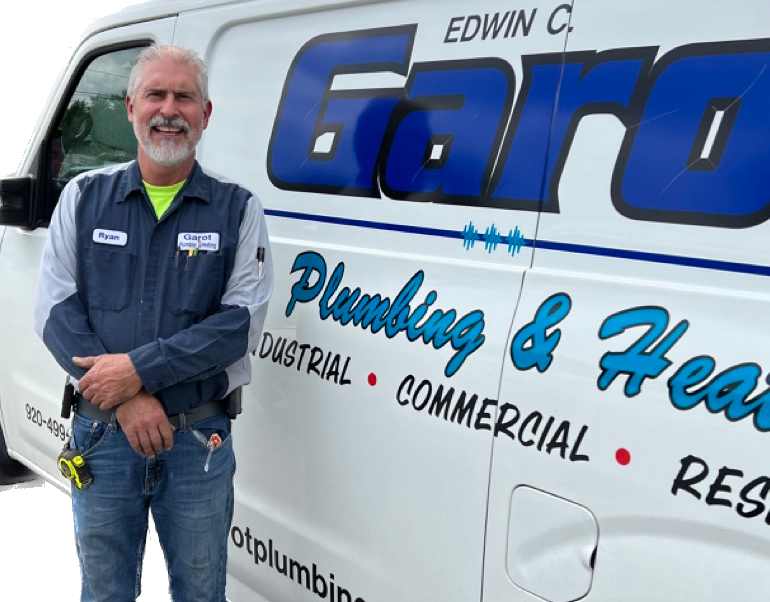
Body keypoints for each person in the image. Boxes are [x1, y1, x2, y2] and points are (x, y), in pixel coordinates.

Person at [34, 44, 273, 602]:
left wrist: (138, 372)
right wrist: (126, 399)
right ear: (130, 107)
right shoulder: (83, 197)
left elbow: (239, 325)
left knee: (200, 592)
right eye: (155, 95)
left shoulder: (239, 209)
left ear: (205, 113)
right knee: (105, 593)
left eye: (184, 97)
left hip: (198, 442)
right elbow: (54, 310)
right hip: (101, 436)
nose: (169, 110)